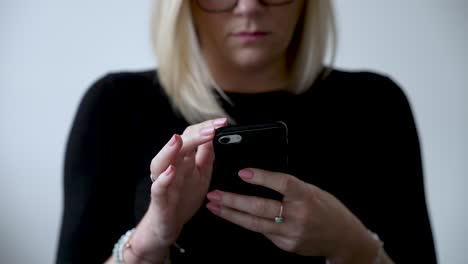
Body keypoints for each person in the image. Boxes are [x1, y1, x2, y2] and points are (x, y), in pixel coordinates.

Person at [56, 0, 438, 263]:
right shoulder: (115, 105)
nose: (250, 5)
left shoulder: (376, 105)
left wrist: (351, 245)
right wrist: (147, 242)